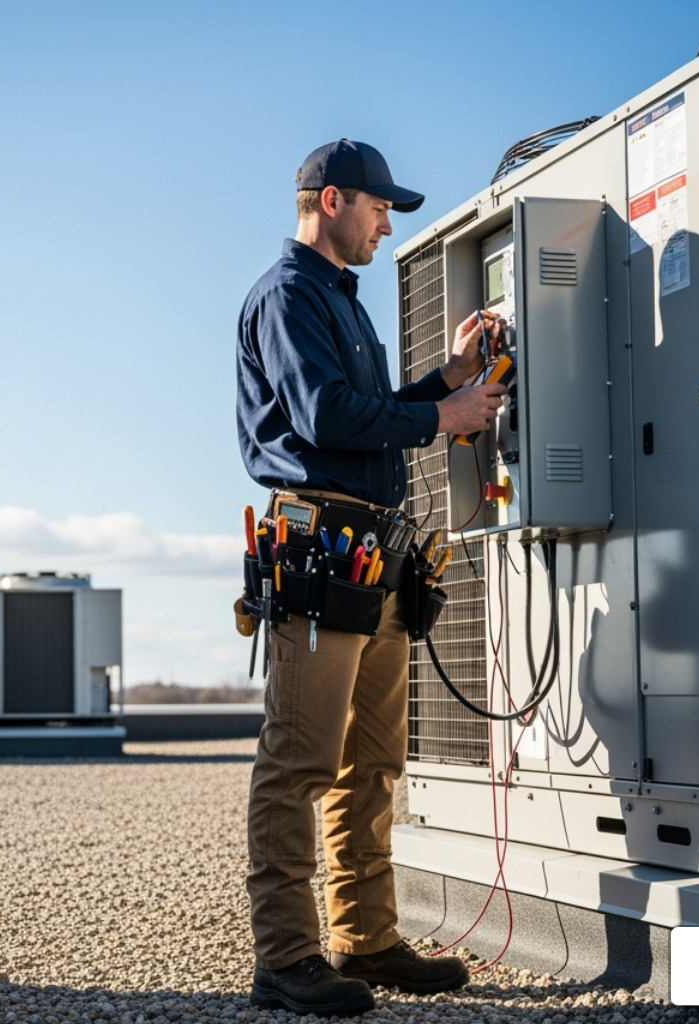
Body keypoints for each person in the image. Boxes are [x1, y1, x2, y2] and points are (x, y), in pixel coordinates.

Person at [235, 139, 506, 1017]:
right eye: (381, 209)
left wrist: (449, 380)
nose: (389, 224)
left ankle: (365, 938)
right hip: (321, 552)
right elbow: (322, 414)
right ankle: (284, 959)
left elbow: (372, 418)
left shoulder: (342, 303)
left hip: (375, 554)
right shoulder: (287, 296)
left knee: (372, 762)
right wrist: (443, 414)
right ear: (330, 200)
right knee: (301, 759)